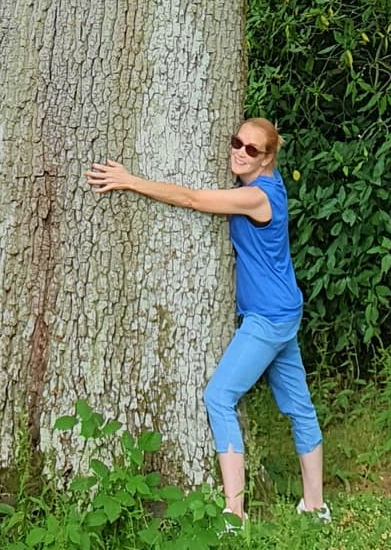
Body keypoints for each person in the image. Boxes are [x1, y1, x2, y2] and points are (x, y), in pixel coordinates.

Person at [87, 117, 329, 525]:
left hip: (268, 317)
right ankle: (315, 506)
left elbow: (192, 199)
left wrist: (130, 180)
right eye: (237, 142)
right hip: (285, 309)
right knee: (299, 408)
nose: (239, 152)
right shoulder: (267, 185)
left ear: (267, 158)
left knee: (219, 397)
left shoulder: (256, 197)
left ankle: (235, 514)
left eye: (251, 150)